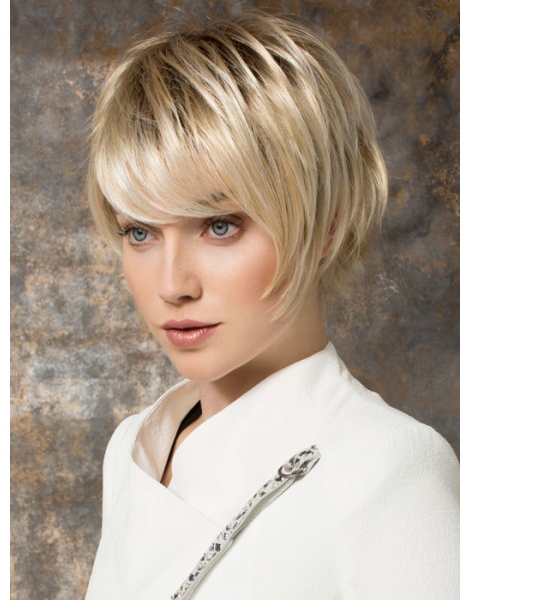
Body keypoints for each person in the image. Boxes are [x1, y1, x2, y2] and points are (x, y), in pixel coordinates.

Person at [84, 11, 459, 600]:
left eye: (220, 225)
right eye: (140, 231)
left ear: (326, 225)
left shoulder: (387, 469)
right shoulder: (136, 447)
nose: (172, 285)